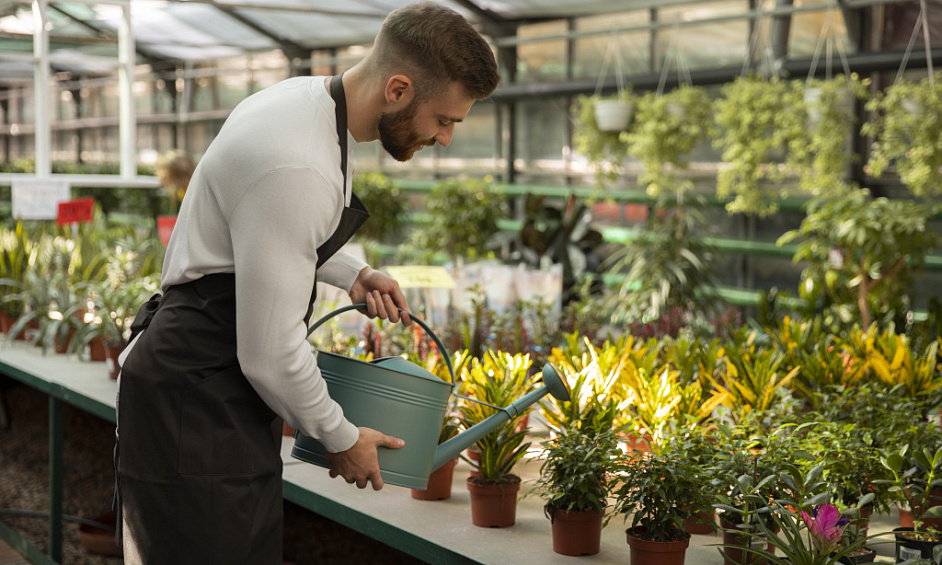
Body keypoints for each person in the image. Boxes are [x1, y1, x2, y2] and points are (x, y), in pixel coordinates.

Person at [114, 2, 500, 563]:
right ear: (397, 89)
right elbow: (270, 352)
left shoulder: (308, 104)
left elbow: (266, 231)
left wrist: (355, 273)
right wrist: (342, 438)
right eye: (443, 120)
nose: (444, 139)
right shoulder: (298, 163)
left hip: (214, 386)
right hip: (193, 400)